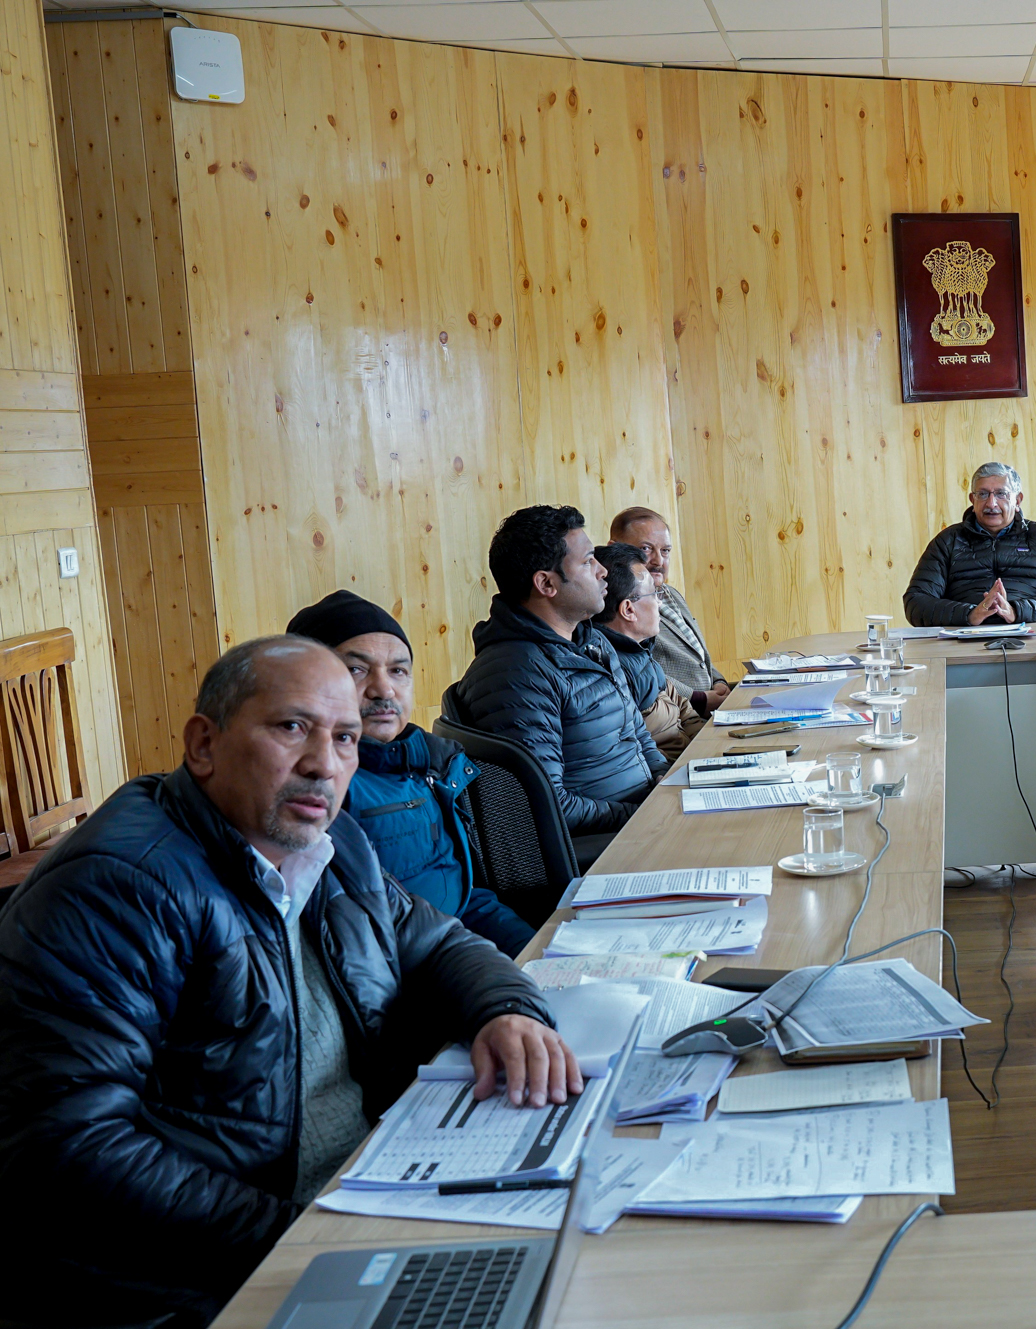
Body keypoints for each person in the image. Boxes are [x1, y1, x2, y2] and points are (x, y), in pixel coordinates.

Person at [0, 638, 577, 1327]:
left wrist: (504, 1010)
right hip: (195, 1279)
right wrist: (305, 1235)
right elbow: (68, 1149)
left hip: (358, 1198)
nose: (323, 765)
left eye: (345, 738)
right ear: (203, 743)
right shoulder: (118, 886)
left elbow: (438, 941)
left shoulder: (328, 845)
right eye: (291, 728)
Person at [285, 590, 535, 957]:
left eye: (398, 671)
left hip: (465, 954)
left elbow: (463, 897)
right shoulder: (310, 793)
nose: (383, 689)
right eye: (356, 669)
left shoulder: (430, 767)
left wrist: (539, 949)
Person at [449, 505, 665, 835]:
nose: (602, 571)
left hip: (643, 820)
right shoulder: (517, 676)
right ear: (546, 584)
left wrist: (667, 784)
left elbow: (639, 739)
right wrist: (644, 813)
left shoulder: (593, 642)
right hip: (607, 846)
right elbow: (549, 805)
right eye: (588, 561)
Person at [903, 461, 1036, 626]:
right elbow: (916, 602)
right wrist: (969, 614)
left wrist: (1016, 611)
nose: (991, 503)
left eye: (1001, 494)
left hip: (1030, 637)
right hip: (963, 642)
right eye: (982, 494)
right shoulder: (948, 541)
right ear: (973, 501)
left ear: (1017, 500)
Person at [609, 506, 730, 719]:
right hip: (676, 720)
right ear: (615, 548)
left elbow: (698, 653)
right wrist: (699, 698)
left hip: (708, 713)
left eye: (665, 551)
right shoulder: (613, 605)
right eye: (646, 549)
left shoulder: (671, 593)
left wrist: (719, 682)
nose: (658, 561)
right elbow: (638, 668)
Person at [594, 542, 702, 761]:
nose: (659, 602)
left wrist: (707, 746)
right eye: (654, 594)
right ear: (628, 609)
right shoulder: (612, 669)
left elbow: (682, 705)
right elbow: (637, 754)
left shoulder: (639, 650)